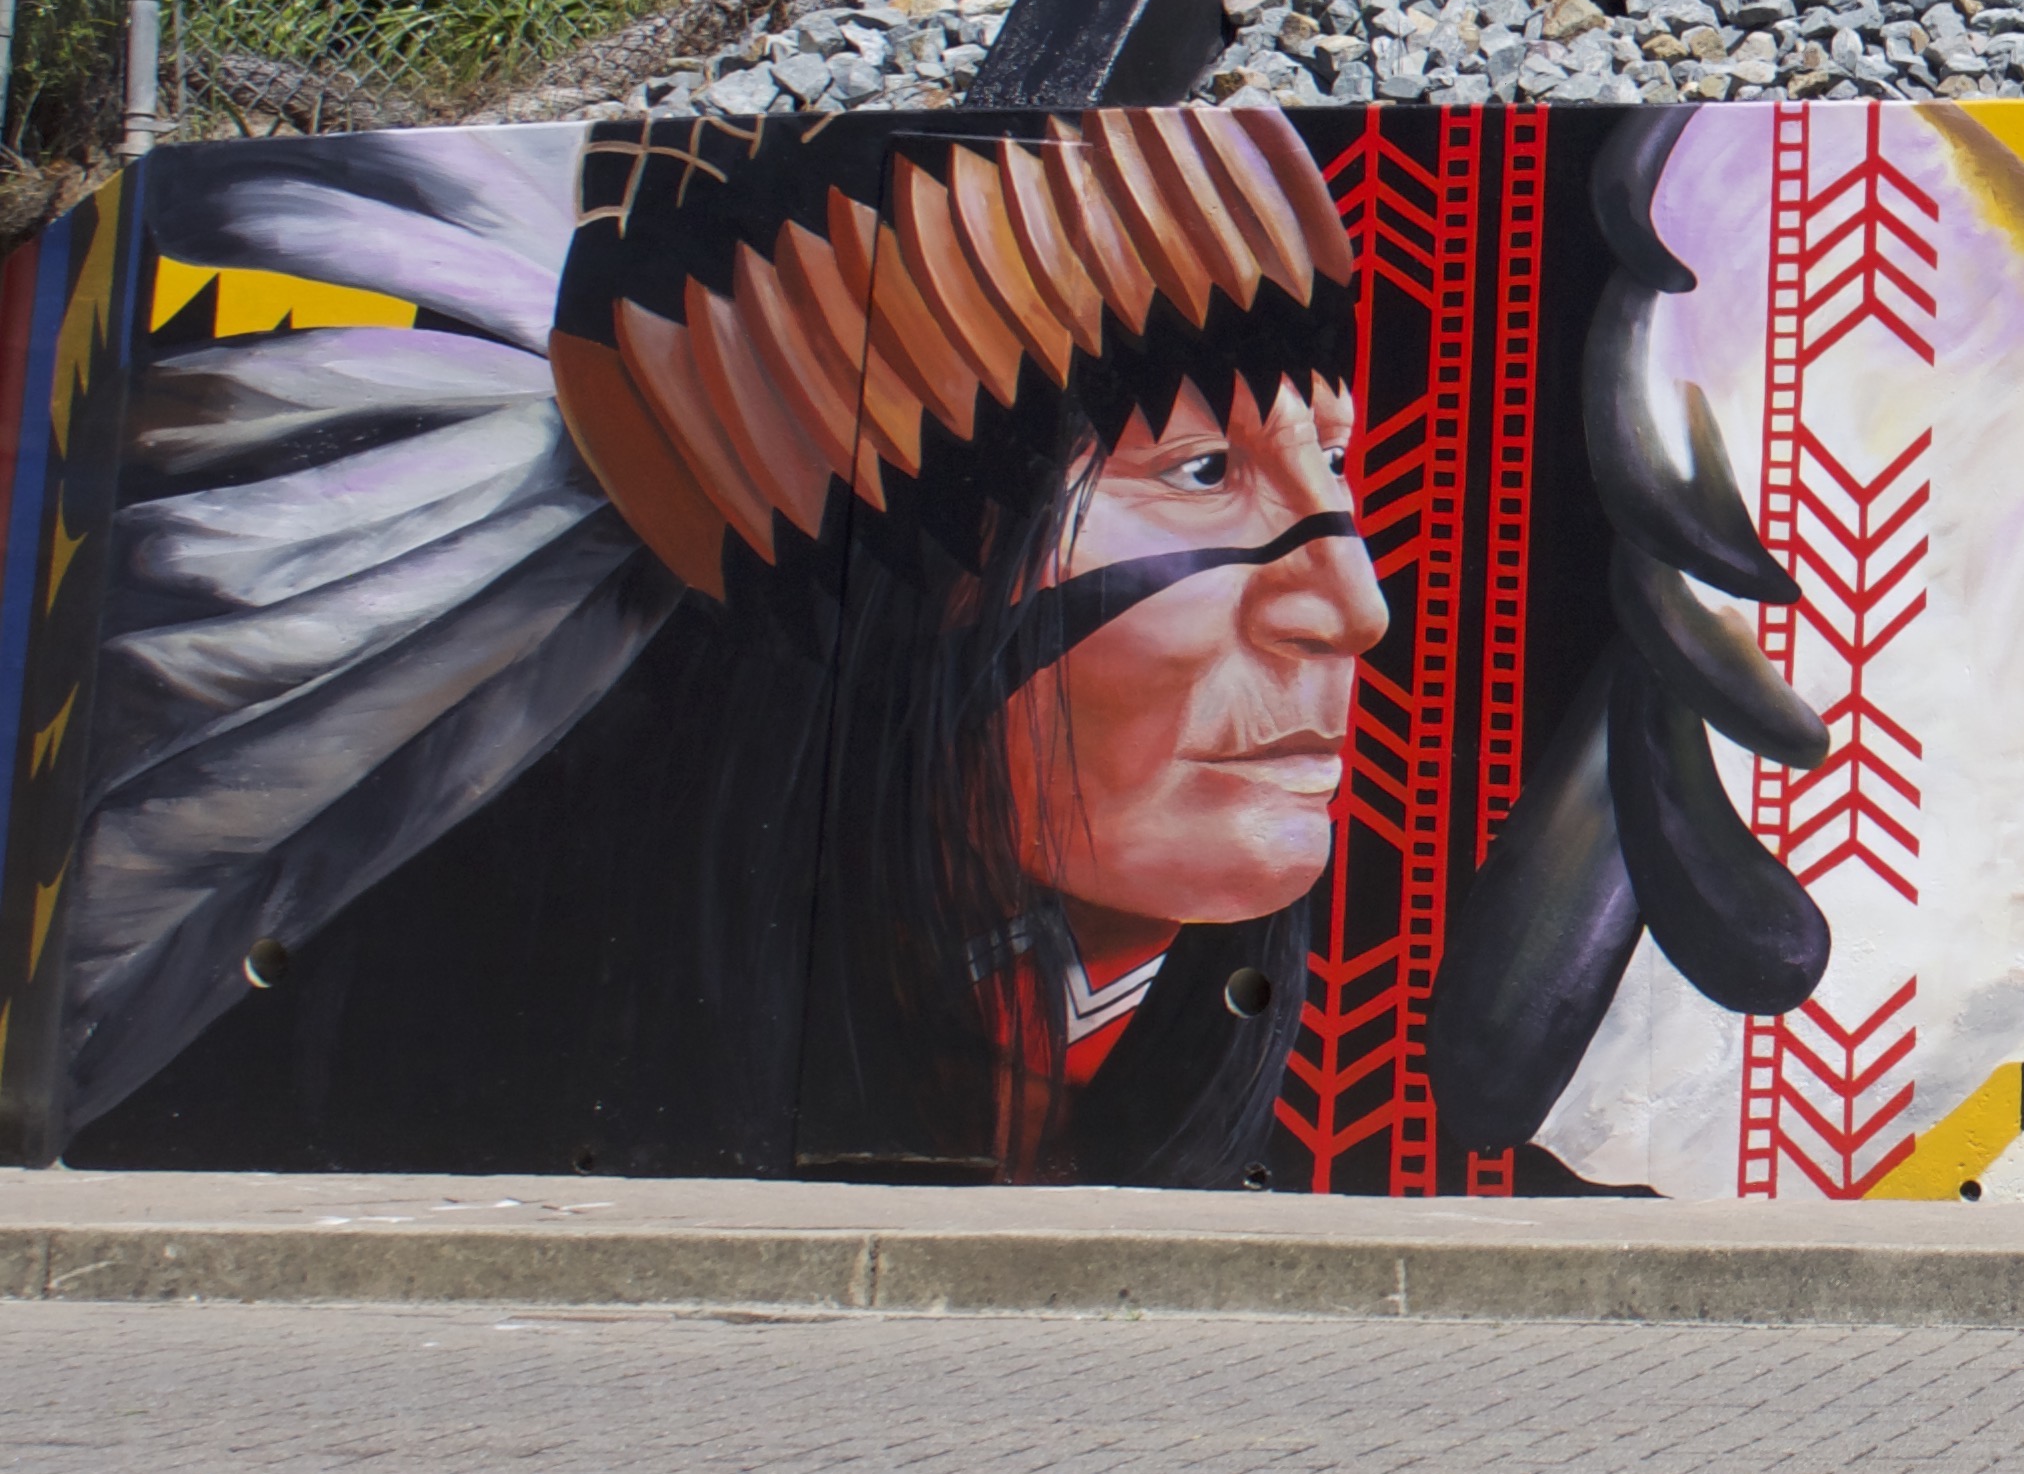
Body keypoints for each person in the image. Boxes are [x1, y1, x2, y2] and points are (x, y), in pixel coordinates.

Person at [60, 108, 1376, 1183]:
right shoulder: (444, 998)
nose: (1350, 599)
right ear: (888, 576)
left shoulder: (1113, 1015)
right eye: (1203, 468)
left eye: (1336, 464)